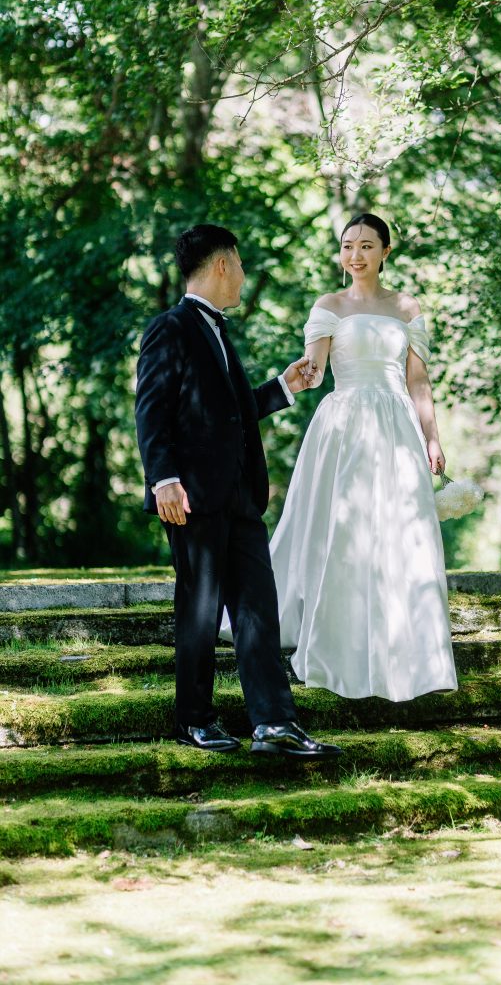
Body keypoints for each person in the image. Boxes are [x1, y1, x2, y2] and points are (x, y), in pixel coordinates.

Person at [135, 223, 341, 758]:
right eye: (242, 265)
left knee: (258, 610)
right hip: (191, 498)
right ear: (223, 264)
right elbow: (151, 411)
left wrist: (284, 388)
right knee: (199, 611)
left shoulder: (220, 332)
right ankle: (194, 720)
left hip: (241, 498)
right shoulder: (169, 328)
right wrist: (164, 479)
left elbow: (227, 412)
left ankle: (274, 723)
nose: (245, 277)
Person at [268, 213, 458, 701]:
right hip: (344, 423)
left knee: (401, 529)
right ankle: (336, 645)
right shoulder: (328, 305)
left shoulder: (406, 307)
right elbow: (314, 369)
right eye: (348, 245)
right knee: (344, 527)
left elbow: (418, 380)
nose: (355, 254)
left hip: (397, 424)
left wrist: (432, 438)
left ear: (385, 251)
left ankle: (406, 649)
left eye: (367, 245)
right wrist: (299, 376)